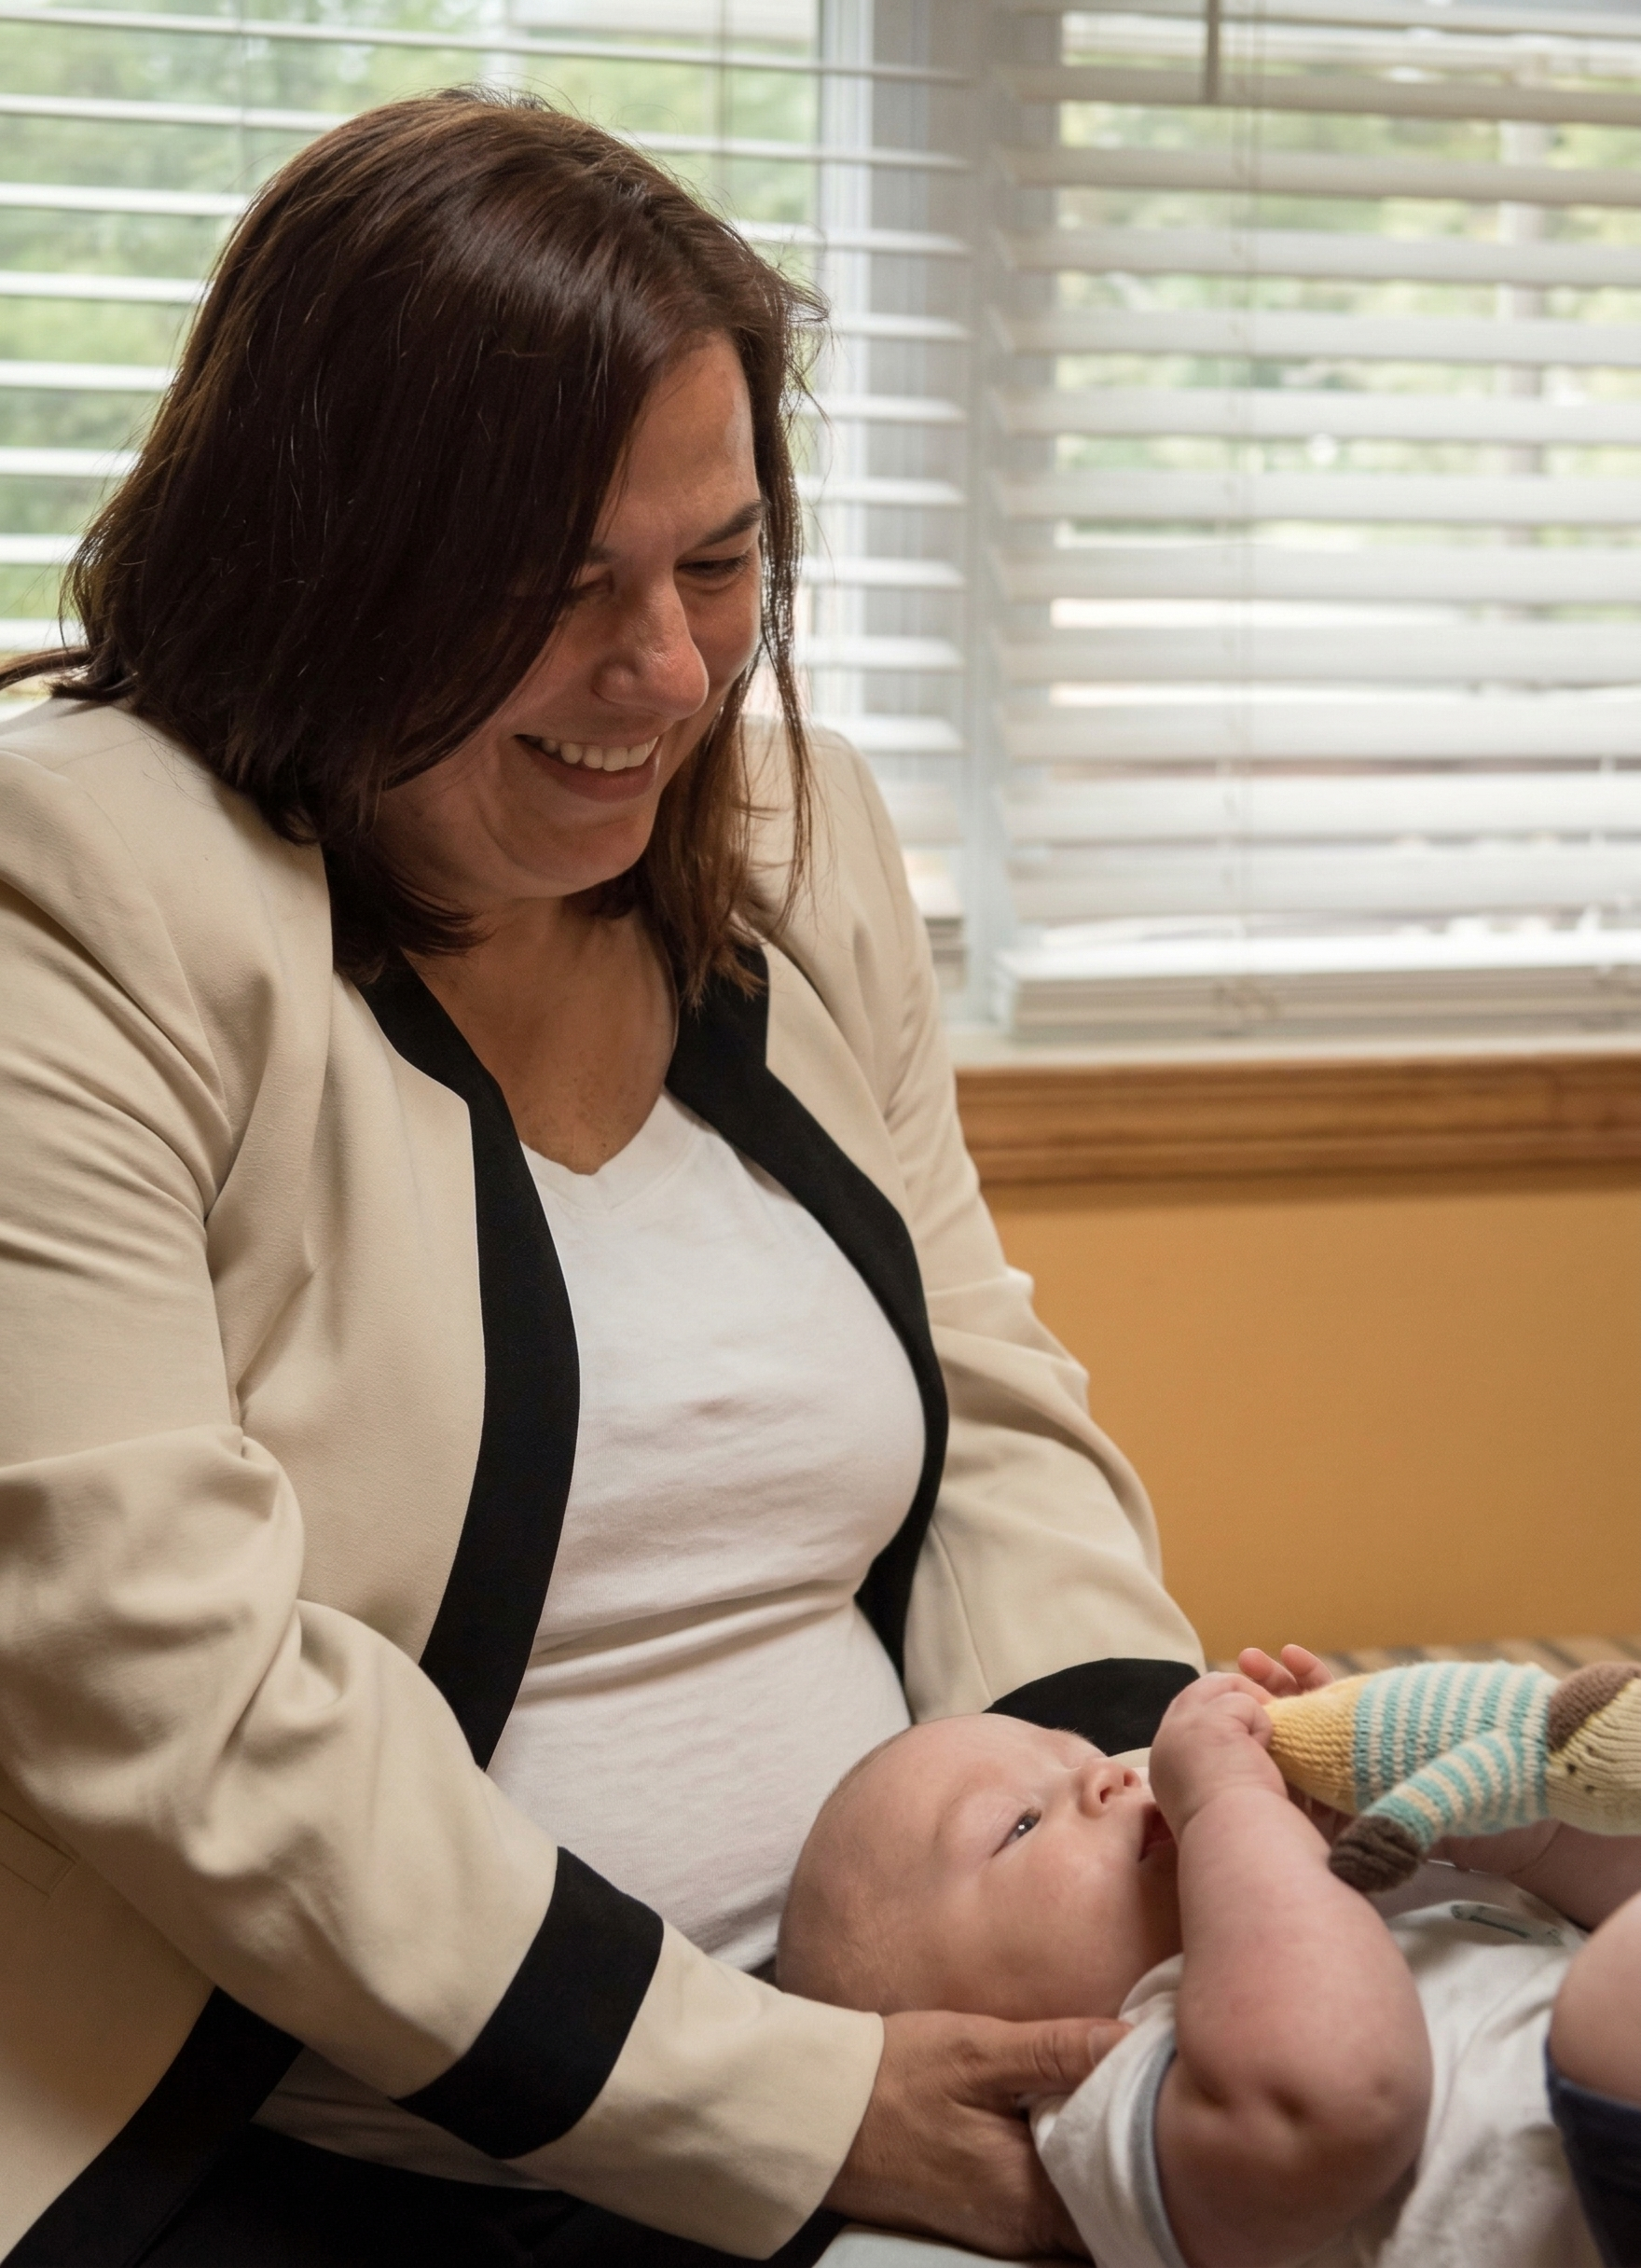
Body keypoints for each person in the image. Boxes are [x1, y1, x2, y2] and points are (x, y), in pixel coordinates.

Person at [0, 88, 1204, 2268]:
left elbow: (990, 1410)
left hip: (905, 2045)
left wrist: (1148, 1821)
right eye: (551, 590)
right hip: (356, 2143)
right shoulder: (75, 884)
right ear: (312, 557)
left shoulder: (801, 842)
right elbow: (168, 1694)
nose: (662, 671)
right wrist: (817, 2110)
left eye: (717, 564)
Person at [776, 1647, 1641, 2268]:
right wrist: (1232, 1803)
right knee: (1609, 2003)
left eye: (1086, 1755)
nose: (1114, 1775)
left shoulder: (1369, 1891)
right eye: (1020, 1824)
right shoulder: (1128, 2093)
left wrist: (1504, 1831)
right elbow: (1336, 2098)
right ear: (973, 2035)